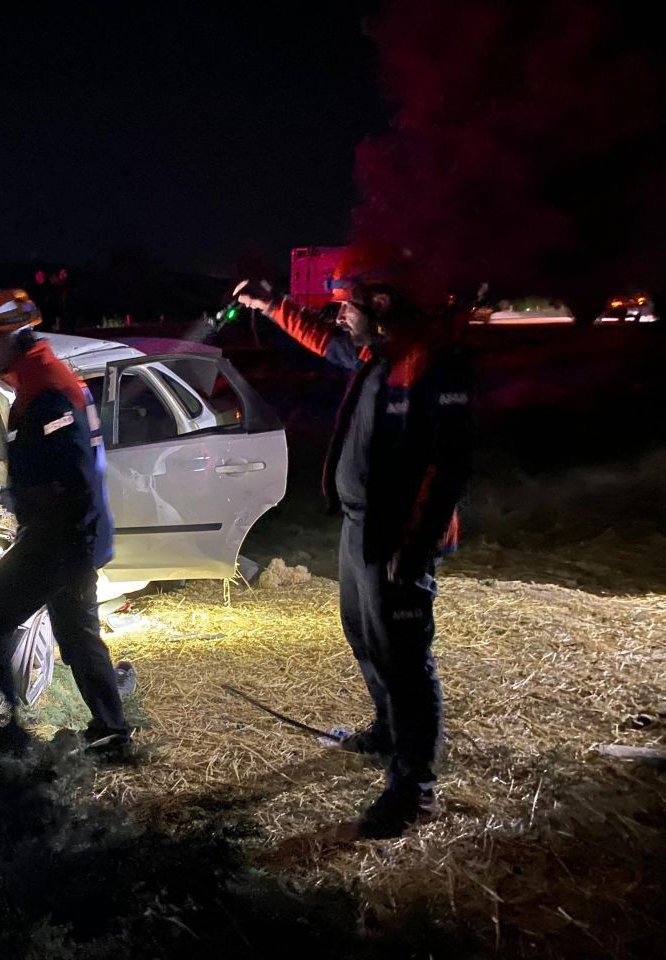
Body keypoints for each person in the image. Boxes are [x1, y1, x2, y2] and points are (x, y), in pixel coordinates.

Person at [234, 247, 472, 838]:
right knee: (362, 633)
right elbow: (322, 339)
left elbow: (448, 468)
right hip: (361, 526)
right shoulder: (379, 350)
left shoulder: (429, 362)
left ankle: (414, 789)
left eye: (346, 304)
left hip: (397, 539)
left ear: (382, 303)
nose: (338, 314)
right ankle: (387, 730)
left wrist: (412, 548)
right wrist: (272, 305)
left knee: (406, 659)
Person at [0, 289, 132, 756]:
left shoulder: (46, 390)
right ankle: (113, 732)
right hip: (72, 537)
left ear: (7, 336)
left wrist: (27, 517)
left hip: (60, 541)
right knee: (77, 635)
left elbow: (66, 475)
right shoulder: (44, 377)